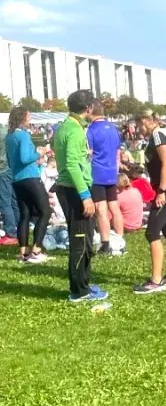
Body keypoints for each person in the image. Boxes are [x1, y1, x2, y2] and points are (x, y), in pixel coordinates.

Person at [53, 90, 108, 303]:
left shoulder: (67, 126)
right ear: (88, 109)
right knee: (80, 241)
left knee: (85, 239)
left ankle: (84, 283)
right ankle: (79, 291)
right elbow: (71, 165)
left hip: (73, 187)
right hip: (75, 191)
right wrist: (85, 196)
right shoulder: (74, 130)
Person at [133, 109, 166, 294]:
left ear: (145, 120)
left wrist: (161, 191)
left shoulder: (158, 134)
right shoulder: (161, 132)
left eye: (138, 125)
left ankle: (156, 280)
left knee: (152, 231)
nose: (138, 130)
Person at [5, 106, 51, 263]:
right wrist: (40, 152)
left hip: (17, 179)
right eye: (28, 116)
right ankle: (36, 251)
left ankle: (23, 252)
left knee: (24, 215)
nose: (30, 119)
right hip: (30, 177)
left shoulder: (10, 136)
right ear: (22, 118)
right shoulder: (23, 136)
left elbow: (13, 161)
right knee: (45, 211)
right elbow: (25, 158)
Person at [87, 100, 124, 255]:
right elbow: (117, 152)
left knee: (101, 209)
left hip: (98, 172)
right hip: (112, 172)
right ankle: (120, 240)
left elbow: (88, 153)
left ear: (90, 111)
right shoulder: (113, 129)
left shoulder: (91, 130)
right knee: (114, 207)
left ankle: (105, 243)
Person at [0, 120, 20, 245]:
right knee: (13, 200)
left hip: (2, 170)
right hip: (12, 168)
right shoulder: (7, 131)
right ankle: (19, 228)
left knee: (4, 201)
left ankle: (10, 233)